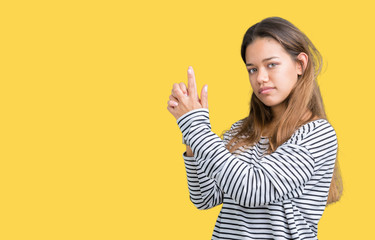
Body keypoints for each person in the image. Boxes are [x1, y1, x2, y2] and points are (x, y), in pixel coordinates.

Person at [167, 16, 343, 240]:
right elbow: (204, 197)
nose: (260, 78)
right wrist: (190, 133)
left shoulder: (317, 134)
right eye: (252, 69)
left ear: (300, 64)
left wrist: (195, 124)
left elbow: (253, 190)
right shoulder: (241, 130)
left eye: (271, 65)